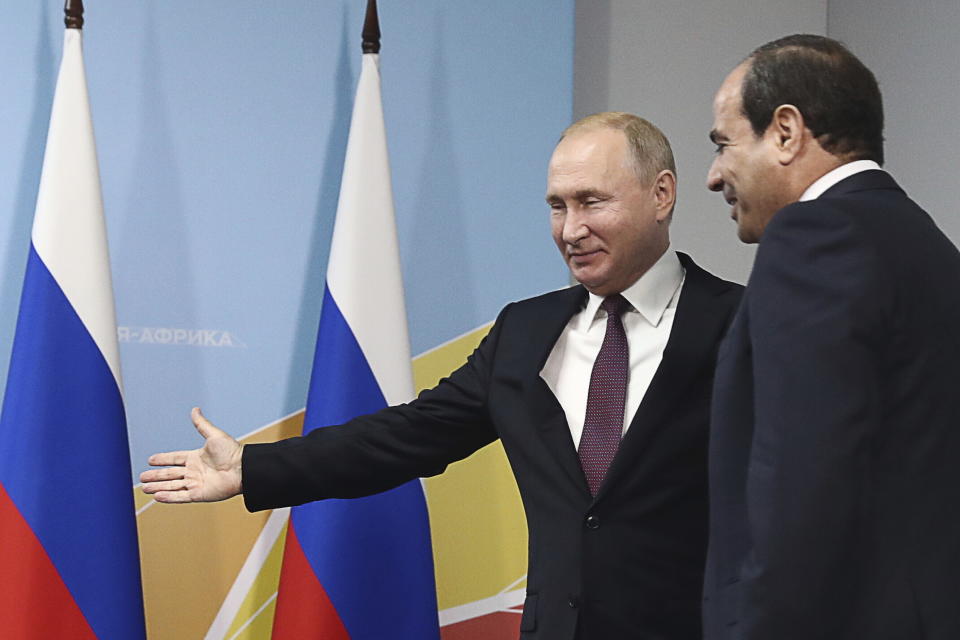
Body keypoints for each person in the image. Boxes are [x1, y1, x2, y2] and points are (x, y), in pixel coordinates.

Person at [143, 112, 742, 639]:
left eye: (592, 201)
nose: (570, 229)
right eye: (557, 206)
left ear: (662, 194)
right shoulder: (525, 332)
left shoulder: (746, 324)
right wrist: (253, 468)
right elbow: (409, 436)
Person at [703, 34, 960, 639]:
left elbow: (802, 479)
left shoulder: (814, 239)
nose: (715, 176)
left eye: (723, 144)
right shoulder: (926, 246)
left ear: (786, 132)